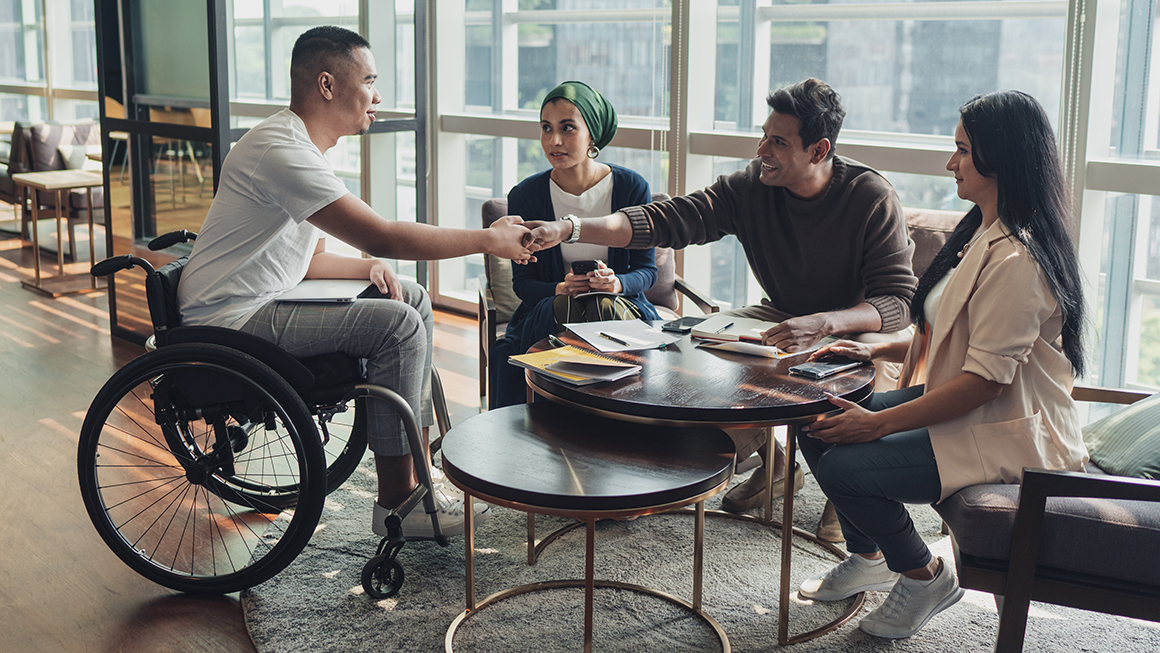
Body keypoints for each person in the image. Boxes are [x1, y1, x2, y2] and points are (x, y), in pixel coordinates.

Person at [177, 26, 538, 539]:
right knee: (398, 329)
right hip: (229, 318)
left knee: (408, 295)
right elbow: (385, 235)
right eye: (369, 80)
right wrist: (488, 239)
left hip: (258, 298)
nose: (378, 95)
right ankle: (397, 503)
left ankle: (420, 471)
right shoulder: (281, 152)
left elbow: (307, 260)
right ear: (328, 85)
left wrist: (365, 267)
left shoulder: (301, 146)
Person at [525, 78, 917, 517]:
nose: (761, 150)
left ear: (819, 150)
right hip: (781, 311)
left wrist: (827, 323)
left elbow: (898, 301)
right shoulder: (752, 186)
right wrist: (571, 227)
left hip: (859, 322)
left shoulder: (870, 196)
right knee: (693, 343)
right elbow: (667, 220)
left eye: (778, 142)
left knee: (862, 365)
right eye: (763, 135)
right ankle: (775, 464)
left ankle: (851, 492)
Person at [794, 90, 1087, 639]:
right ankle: (871, 557)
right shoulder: (982, 232)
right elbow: (953, 336)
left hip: (1008, 429)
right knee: (814, 418)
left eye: (962, 151)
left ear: (1001, 157)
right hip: (972, 400)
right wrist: (874, 349)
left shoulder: (1020, 258)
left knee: (842, 465)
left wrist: (876, 424)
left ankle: (925, 575)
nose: (950, 163)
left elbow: (983, 382)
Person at [489, 80, 660, 409]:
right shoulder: (525, 195)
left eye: (568, 128)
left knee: (601, 307)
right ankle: (602, 419)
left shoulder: (631, 187)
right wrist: (560, 289)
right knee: (569, 309)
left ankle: (576, 420)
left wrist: (618, 284)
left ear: (592, 135)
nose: (554, 140)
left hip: (621, 307)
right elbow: (523, 285)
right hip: (549, 312)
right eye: (546, 128)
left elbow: (647, 271)